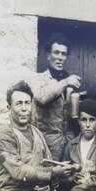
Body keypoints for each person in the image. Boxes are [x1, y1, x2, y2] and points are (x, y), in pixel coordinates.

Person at [34, 33, 81, 161]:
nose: (60, 57)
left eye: (63, 54)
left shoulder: (69, 80)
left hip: (69, 145)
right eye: (56, 53)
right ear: (48, 55)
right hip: (47, 145)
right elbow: (41, 98)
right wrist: (65, 83)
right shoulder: (40, 79)